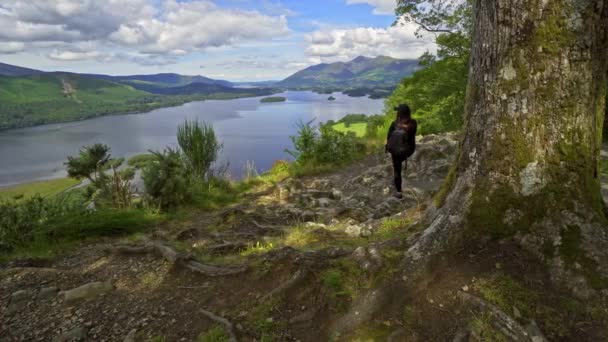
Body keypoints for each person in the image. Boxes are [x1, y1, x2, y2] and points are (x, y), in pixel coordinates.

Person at [385, 104, 417, 199]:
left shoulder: (394, 123)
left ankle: (398, 192)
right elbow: (412, 135)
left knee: (397, 170)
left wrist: (389, 147)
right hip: (408, 150)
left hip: (395, 151)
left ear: (399, 113)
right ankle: (397, 182)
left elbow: (389, 137)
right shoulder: (413, 123)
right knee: (400, 161)